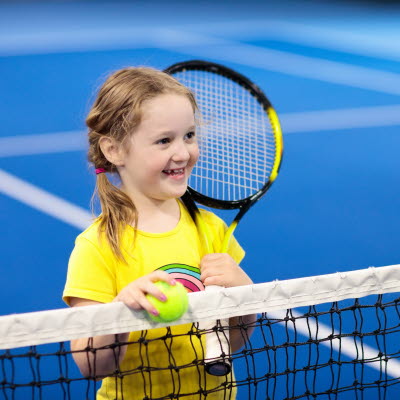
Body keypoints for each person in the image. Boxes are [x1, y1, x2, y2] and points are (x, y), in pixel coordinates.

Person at [63, 66, 255, 399]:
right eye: (164, 140)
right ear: (114, 150)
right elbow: (92, 366)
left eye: (189, 135)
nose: (182, 153)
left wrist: (246, 300)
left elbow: (232, 342)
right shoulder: (96, 246)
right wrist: (119, 313)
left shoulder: (211, 229)